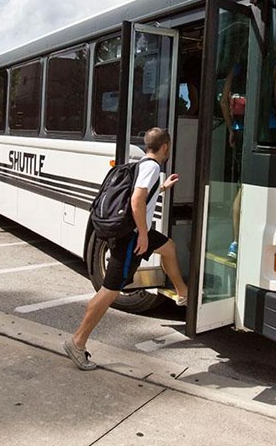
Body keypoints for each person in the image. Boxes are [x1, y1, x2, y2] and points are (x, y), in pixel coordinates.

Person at [64, 127, 188, 370]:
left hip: (133, 232)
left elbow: (142, 195)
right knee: (109, 291)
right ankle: (77, 342)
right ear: (165, 147)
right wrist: (142, 233)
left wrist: (163, 188)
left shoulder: (141, 164)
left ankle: (182, 292)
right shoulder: (152, 168)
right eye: (169, 147)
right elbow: (136, 200)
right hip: (131, 236)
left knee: (169, 248)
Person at [220, 61, 246, 259]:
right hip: (267, 130)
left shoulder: (235, 69)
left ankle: (235, 242)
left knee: (242, 187)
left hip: (239, 132)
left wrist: (231, 129)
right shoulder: (274, 65)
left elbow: (223, 101)